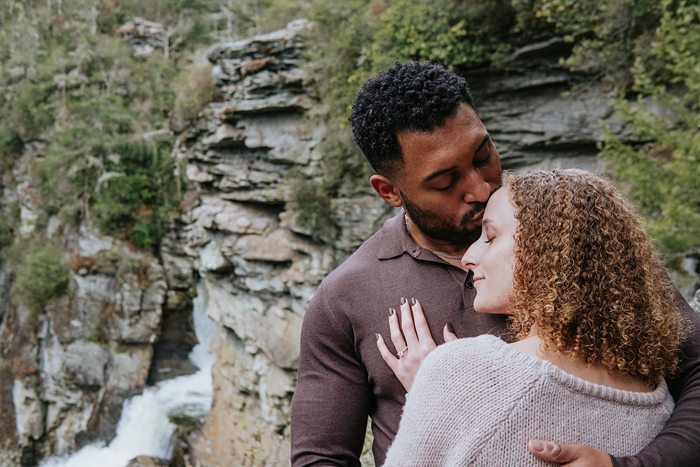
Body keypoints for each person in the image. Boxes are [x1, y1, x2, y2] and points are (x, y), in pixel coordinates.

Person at [290, 61, 700, 466]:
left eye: (483, 155)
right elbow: (320, 459)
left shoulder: (575, 238)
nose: (481, 187)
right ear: (389, 191)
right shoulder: (346, 298)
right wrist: (447, 396)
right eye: (445, 182)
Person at [380, 169, 686, 465]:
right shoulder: (659, 401)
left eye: (490, 236)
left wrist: (437, 392)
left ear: (549, 251)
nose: (468, 256)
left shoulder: (463, 371)